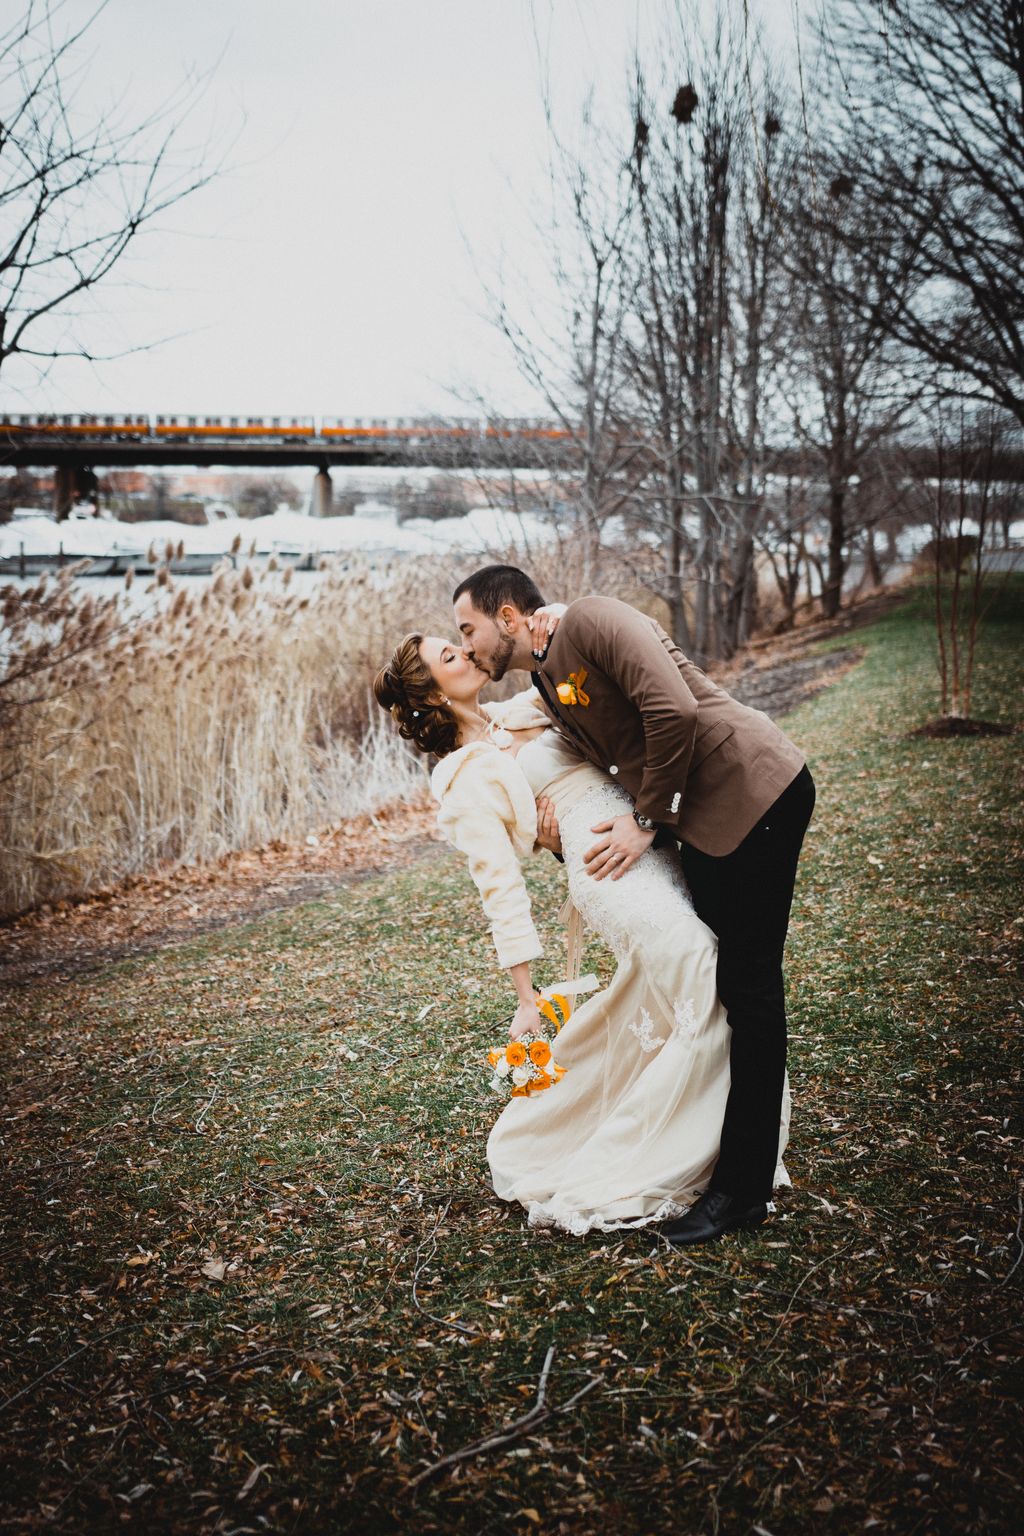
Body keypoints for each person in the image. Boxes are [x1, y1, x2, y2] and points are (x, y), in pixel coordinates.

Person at [372, 627, 791, 1239]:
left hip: (652, 847)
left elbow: (595, 689)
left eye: (458, 642)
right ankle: (684, 1164)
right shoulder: (462, 781)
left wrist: (562, 617)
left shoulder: (522, 707)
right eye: (448, 655)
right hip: (609, 876)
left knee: (708, 982)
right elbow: (500, 891)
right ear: (432, 694)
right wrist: (525, 996)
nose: (464, 652)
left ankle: (731, 1157)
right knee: (703, 969)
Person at [452, 565, 814, 1248]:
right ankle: (728, 1165)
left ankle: (740, 1192)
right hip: (703, 829)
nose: (468, 647)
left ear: (506, 616)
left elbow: (673, 710)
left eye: (467, 630)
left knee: (750, 989)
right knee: (730, 989)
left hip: (754, 793)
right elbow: (597, 761)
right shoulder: (545, 679)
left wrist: (647, 820)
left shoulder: (590, 618)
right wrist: (555, 833)